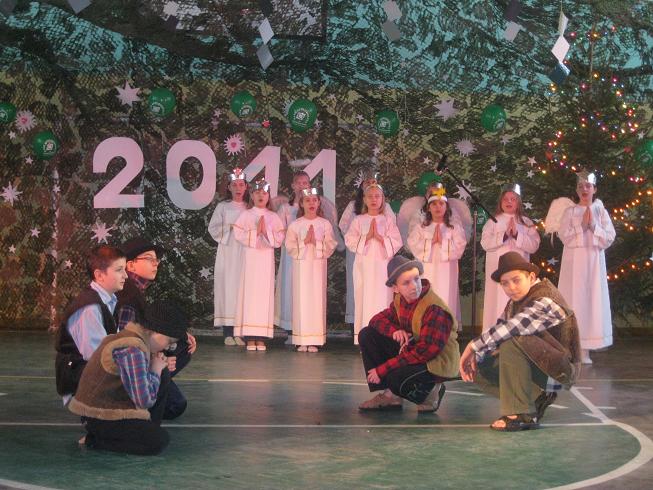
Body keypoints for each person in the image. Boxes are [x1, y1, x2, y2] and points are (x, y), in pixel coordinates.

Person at [459, 251, 581, 431]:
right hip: (541, 367)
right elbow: (498, 330)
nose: (511, 288)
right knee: (478, 366)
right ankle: (537, 397)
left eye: (516, 280)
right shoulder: (514, 302)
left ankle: (521, 414)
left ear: (531, 277)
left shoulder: (546, 298)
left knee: (511, 341)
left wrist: (471, 346)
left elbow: (513, 327)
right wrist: (476, 356)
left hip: (559, 372)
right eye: (505, 283)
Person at [69, 301, 188, 455]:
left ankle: (146, 428)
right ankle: (95, 440)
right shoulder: (132, 348)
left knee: (163, 374)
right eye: (169, 342)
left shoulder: (137, 339)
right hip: (100, 415)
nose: (167, 348)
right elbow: (144, 400)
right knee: (158, 441)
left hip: (114, 407)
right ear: (154, 331)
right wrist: (155, 369)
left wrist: (157, 368)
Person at [358, 255, 459, 413]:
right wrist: (395, 331)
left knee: (394, 376)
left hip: (437, 361)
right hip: (416, 351)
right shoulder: (401, 300)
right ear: (395, 288)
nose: (414, 286)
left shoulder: (434, 308)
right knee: (367, 335)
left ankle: (432, 392)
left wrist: (383, 369)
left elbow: (424, 352)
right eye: (406, 283)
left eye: (416, 279)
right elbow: (376, 320)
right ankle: (391, 396)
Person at [115, 236, 197, 420]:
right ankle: (136, 396)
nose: (156, 263)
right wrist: (157, 362)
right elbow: (124, 345)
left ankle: (155, 381)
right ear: (130, 265)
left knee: (182, 344)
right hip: (127, 365)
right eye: (149, 259)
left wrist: (178, 334)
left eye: (156, 260)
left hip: (139, 353)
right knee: (175, 405)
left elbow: (147, 325)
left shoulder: (136, 289)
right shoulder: (128, 297)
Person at [54, 245, 127, 403]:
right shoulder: (89, 309)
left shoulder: (108, 301)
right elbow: (97, 355)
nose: (125, 275)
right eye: (119, 270)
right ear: (99, 275)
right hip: (81, 379)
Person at [557, 171, 615, 364]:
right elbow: (564, 235)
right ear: (576, 190)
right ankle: (571, 346)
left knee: (591, 301)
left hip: (593, 264)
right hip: (573, 265)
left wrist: (593, 227)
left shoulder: (601, 211)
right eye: (580, 186)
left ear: (594, 189)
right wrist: (581, 227)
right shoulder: (570, 212)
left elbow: (609, 237)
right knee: (573, 300)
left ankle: (586, 349)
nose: (584, 189)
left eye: (588, 186)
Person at [344, 183, 402, 344]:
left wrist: (381, 238)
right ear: (364, 199)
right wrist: (367, 237)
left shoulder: (388, 220)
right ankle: (366, 339)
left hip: (383, 267)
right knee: (364, 298)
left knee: (384, 299)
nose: (374, 200)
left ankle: (384, 338)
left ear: (382, 199)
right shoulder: (359, 220)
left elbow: (397, 241)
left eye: (377, 196)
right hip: (364, 267)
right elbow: (349, 240)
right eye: (370, 196)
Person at [233, 179, 285, 351]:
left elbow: (279, 238)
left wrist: (266, 232)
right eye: (257, 193)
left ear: (268, 196)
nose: (261, 196)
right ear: (252, 195)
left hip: (265, 261)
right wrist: (256, 232)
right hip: (250, 260)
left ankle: (261, 337)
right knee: (249, 295)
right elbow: (238, 234)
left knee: (264, 295)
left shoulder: (273, 216)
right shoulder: (246, 215)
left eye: (264, 193)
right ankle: (249, 336)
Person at [481, 184, 540, 332]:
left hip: (519, 272)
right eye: (505, 199)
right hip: (497, 268)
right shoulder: (493, 221)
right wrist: (504, 236)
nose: (509, 202)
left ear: (518, 202)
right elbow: (485, 243)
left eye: (513, 199)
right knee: (497, 302)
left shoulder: (526, 223)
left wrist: (517, 235)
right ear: (501, 202)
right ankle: (493, 334)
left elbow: (534, 245)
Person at [339, 169, 395, 324]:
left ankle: (383, 326)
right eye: (368, 183)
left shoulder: (386, 211)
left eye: (373, 182)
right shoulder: (354, 208)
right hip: (360, 255)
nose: (370, 185)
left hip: (381, 259)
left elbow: (394, 235)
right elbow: (344, 227)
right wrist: (363, 240)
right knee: (360, 288)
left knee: (381, 290)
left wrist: (380, 238)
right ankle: (358, 322)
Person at [284, 187, 338, 352]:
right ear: (302, 204)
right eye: (307, 200)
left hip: (317, 268)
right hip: (301, 269)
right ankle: (301, 339)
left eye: (314, 200)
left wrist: (316, 243)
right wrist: (304, 242)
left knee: (316, 300)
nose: (311, 203)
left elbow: (331, 245)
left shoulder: (324, 224)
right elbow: (289, 246)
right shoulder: (296, 224)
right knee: (301, 299)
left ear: (319, 202)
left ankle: (315, 339)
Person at [407, 184, 467, 326]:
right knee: (428, 295)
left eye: (441, 204)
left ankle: (446, 327)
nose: (437, 207)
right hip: (427, 268)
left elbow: (460, 247)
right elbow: (413, 244)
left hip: (447, 270)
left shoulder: (454, 228)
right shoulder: (421, 227)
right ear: (428, 208)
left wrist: (443, 243)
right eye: (434, 204)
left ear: (446, 207)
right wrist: (431, 242)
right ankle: (426, 326)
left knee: (446, 295)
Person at [208, 167, 249, 346]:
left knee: (242, 290)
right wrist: (229, 228)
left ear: (246, 187)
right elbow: (213, 228)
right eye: (234, 185)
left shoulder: (249, 207)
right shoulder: (223, 207)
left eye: (241, 184)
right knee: (227, 289)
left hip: (244, 252)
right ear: (229, 187)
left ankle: (241, 332)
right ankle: (228, 332)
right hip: (228, 251)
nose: (238, 188)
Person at [275, 171, 312, 336]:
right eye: (299, 183)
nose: (302, 186)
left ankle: (306, 327)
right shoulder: (286, 208)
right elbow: (278, 230)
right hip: (291, 255)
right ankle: (291, 328)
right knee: (290, 287)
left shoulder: (313, 208)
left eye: (306, 183)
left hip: (309, 255)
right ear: (293, 186)